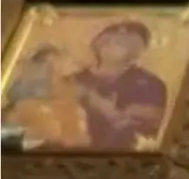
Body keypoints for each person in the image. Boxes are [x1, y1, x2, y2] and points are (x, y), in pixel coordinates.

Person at [71, 20, 169, 149]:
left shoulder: (150, 84)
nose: (116, 37)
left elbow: (151, 128)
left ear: (138, 52)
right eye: (112, 33)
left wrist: (97, 101)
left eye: (126, 39)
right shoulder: (72, 80)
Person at [2, 43, 91, 147]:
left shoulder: (75, 113)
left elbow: (78, 145)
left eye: (57, 72)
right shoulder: (15, 108)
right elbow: (4, 137)